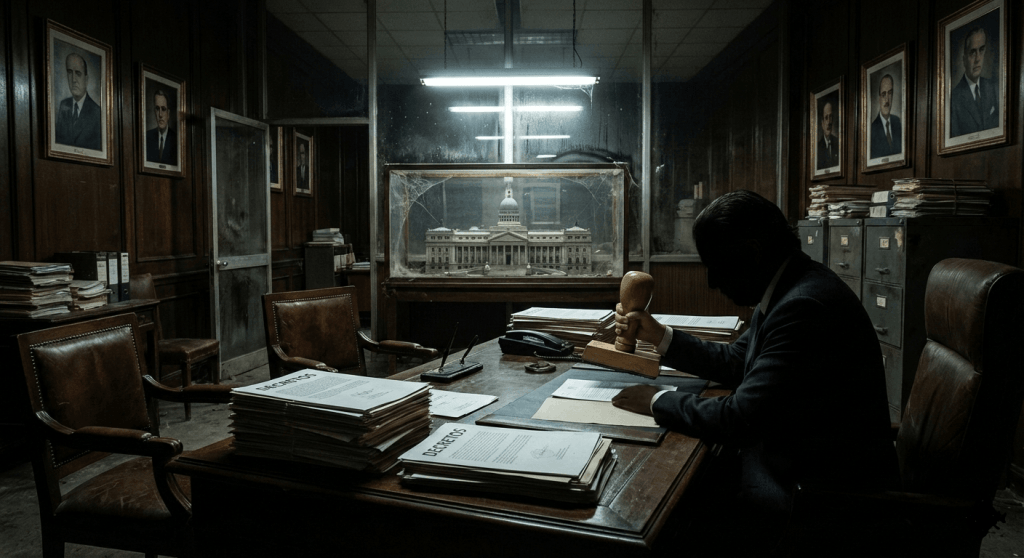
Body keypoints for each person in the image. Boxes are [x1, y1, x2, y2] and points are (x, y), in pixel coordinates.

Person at [612, 190, 897, 554]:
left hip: (816, 496)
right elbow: (735, 361)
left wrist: (657, 400)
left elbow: (740, 419)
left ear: (752, 252)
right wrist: (658, 335)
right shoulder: (789, 285)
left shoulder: (803, 306)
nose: (712, 281)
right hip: (800, 464)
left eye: (716, 264)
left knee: (667, 515)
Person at [950, 26, 999, 137]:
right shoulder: (954, 99)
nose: (977, 59)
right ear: (964, 60)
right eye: (972, 52)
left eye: (981, 50)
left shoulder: (994, 87)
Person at [54, 52, 102, 150]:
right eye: (70, 72)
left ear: (86, 79)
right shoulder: (64, 105)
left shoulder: (96, 112)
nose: (73, 79)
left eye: (78, 73)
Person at [869, 74, 902, 158]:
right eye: (883, 94)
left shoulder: (897, 122)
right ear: (879, 99)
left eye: (890, 93)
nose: (887, 100)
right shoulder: (872, 129)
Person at [145, 89, 177, 165]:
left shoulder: (176, 140)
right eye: (157, 109)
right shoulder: (147, 137)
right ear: (154, 111)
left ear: (168, 113)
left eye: (163, 109)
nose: (160, 114)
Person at [815, 100, 839, 169]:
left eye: (830, 117)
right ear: (822, 123)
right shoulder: (817, 148)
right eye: (826, 118)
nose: (829, 122)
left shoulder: (838, 143)